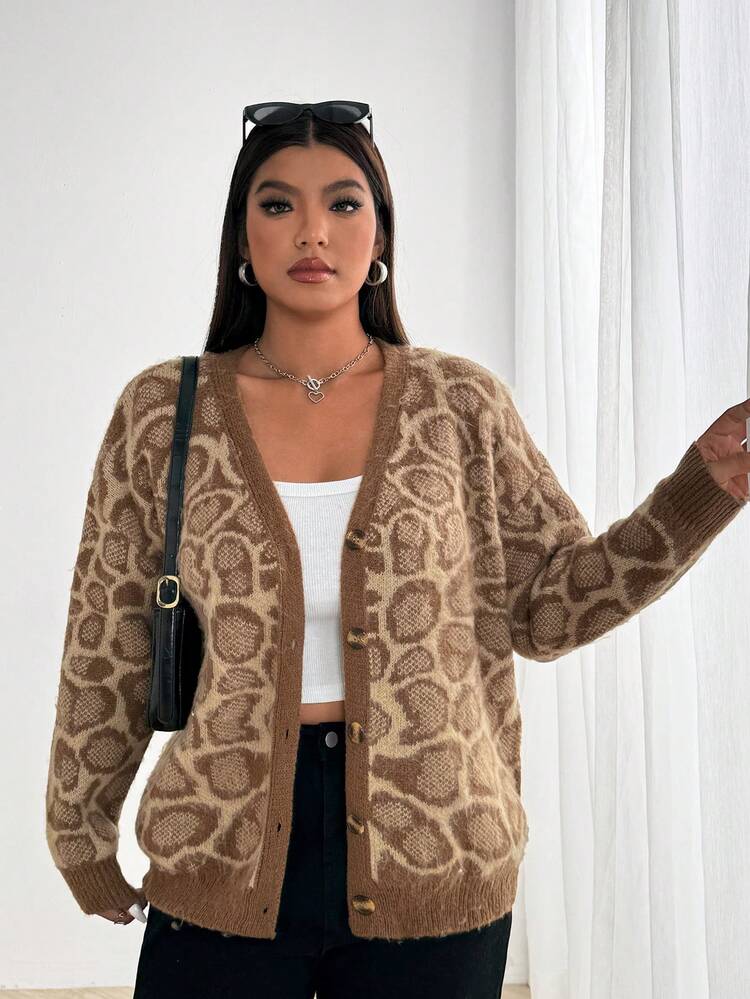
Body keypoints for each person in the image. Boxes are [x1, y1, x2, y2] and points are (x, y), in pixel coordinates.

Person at [44, 101, 750, 999]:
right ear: (241, 238)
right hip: (220, 850)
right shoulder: (163, 413)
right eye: (277, 204)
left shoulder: (459, 404)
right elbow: (108, 635)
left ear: (379, 235)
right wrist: (78, 829)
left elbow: (548, 610)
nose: (312, 230)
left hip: (436, 855)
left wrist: (697, 496)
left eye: (343, 203)